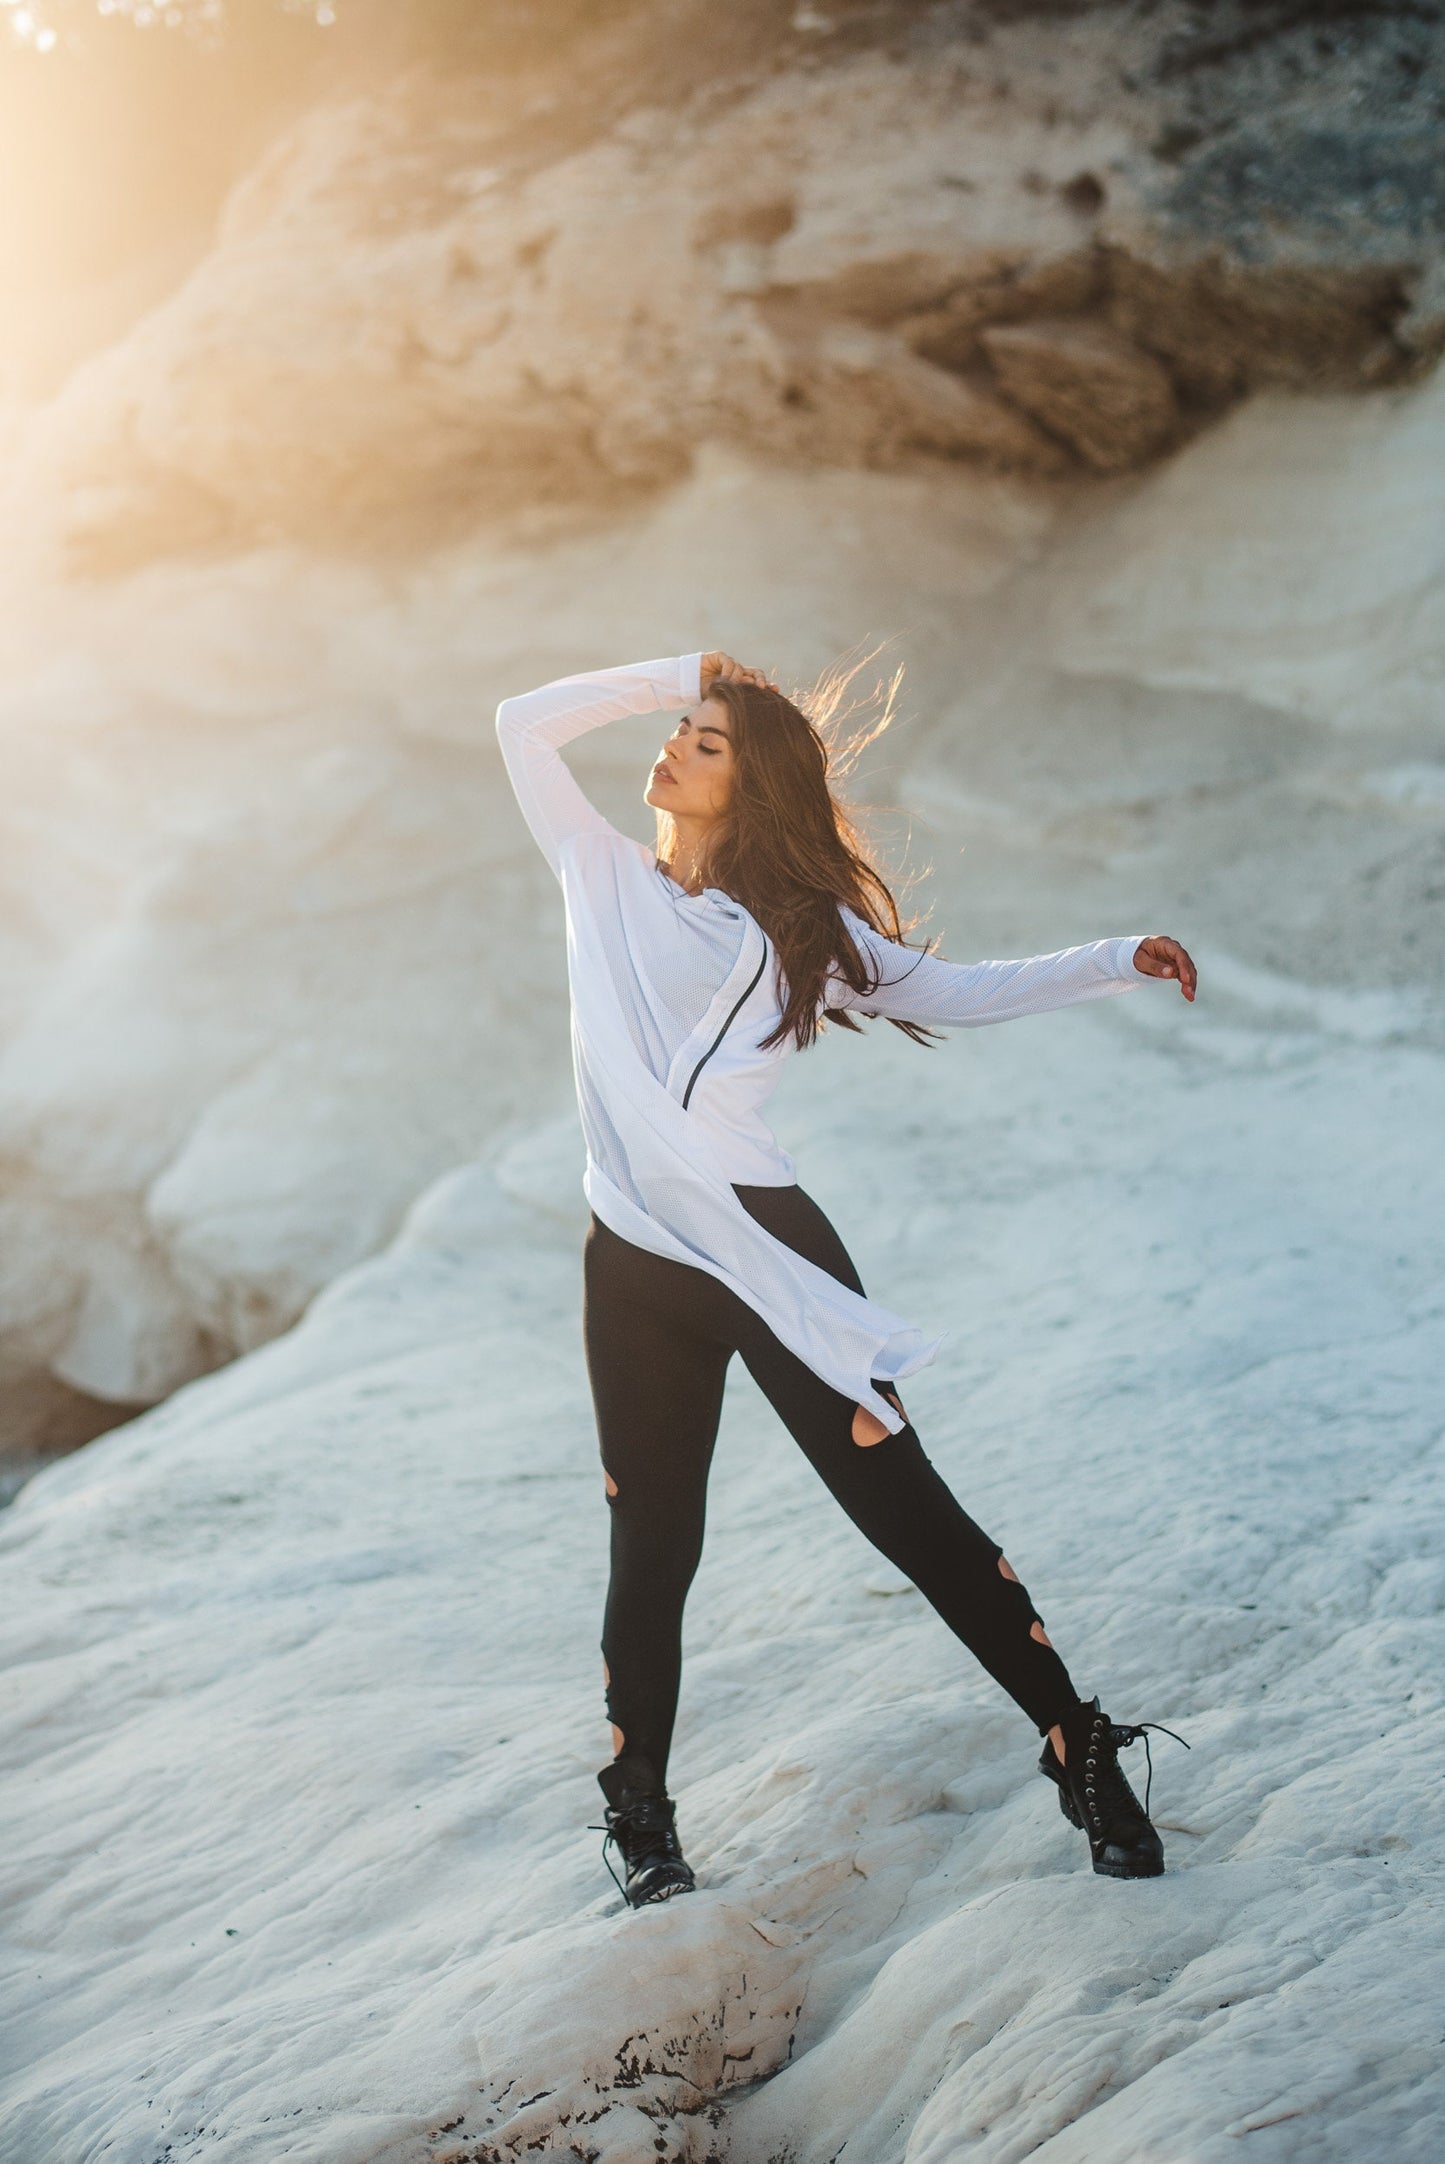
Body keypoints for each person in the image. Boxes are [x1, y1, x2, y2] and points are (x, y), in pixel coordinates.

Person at [495, 649, 1196, 1907]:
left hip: (769, 1257)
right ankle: (638, 1814)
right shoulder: (595, 872)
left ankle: (1076, 1747)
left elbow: (958, 990)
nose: (674, 748)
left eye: (708, 742)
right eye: (679, 732)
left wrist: (1111, 955)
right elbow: (519, 722)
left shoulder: (799, 930)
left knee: (907, 1512)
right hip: (638, 1265)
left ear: (750, 786)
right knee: (651, 1540)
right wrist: (674, 671)